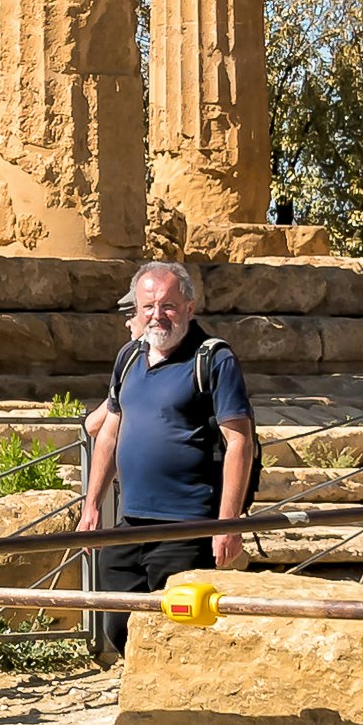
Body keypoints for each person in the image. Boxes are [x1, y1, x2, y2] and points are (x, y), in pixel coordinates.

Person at [77, 261, 255, 664]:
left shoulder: (214, 359)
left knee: (180, 634)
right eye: (148, 306)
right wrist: (92, 506)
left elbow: (238, 441)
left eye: (168, 306)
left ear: (189, 307)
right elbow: (109, 432)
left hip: (188, 525)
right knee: (117, 625)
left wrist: (228, 525)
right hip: (131, 522)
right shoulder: (129, 357)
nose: (157, 315)